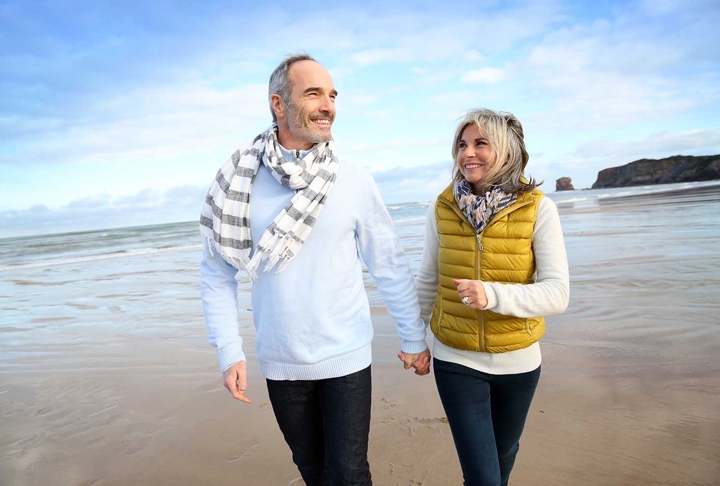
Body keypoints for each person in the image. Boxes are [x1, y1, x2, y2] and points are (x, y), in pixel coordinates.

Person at [199, 53, 431, 486]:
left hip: (345, 355)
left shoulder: (353, 179)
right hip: (280, 359)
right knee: (312, 471)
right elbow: (217, 272)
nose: (328, 105)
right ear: (278, 104)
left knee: (348, 473)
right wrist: (229, 349)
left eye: (332, 95)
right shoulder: (239, 181)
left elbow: (389, 263)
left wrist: (414, 337)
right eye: (313, 93)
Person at [415, 108, 570, 486]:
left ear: (506, 150)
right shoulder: (443, 207)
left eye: (480, 144)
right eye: (462, 145)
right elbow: (427, 279)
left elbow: (558, 293)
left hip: (519, 363)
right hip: (456, 359)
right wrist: (414, 338)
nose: (468, 153)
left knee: (502, 460)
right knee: (483, 477)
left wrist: (493, 295)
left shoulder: (539, 209)